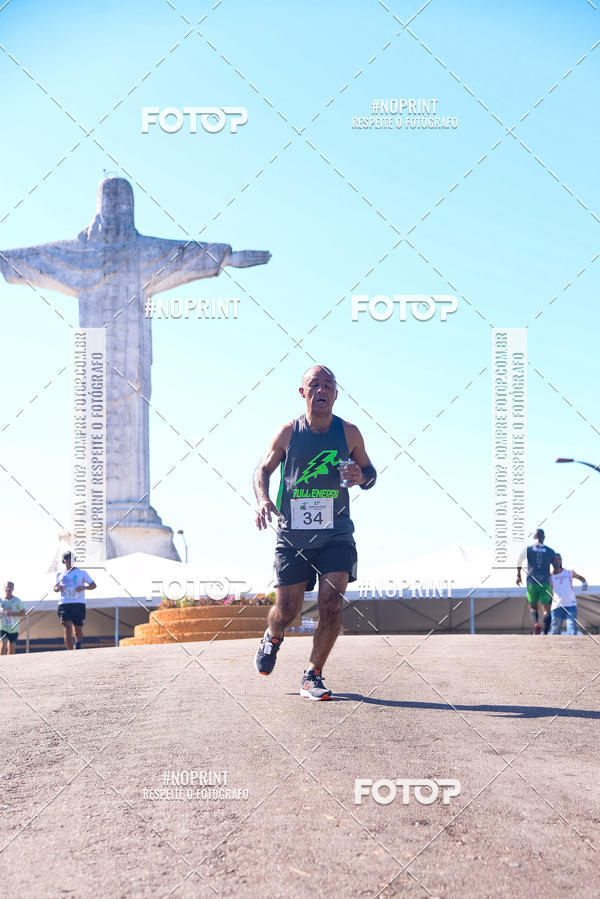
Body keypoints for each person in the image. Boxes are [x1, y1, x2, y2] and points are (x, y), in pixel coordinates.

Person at [253, 365, 376, 700]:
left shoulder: (349, 433)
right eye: (315, 385)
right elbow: (263, 470)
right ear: (302, 392)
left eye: (329, 386)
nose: (322, 390)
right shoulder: (288, 433)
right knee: (288, 610)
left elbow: (370, 472)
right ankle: (273, 636)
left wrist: (360, 475)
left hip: (336, 532)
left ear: (335, 394)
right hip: (293, 536)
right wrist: (263, 500)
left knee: (331, 602)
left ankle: (313, 674)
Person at [516, 529, 556, 634]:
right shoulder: (550, 551)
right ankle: (546, 632)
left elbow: (519, 560)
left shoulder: (528, 549)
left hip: (532, 581)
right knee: (547, 608)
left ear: (534, 537)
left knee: (533, 606)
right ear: (544, 537)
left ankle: (536, 624)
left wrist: (518, 575)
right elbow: (556, 568)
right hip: (545, 581)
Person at [53, 552, 96, 649]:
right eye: (66, 558)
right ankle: (70, 651)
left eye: (71, 558)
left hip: (78, 603)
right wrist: (58, 588)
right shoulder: (60, 574)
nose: (69, 560)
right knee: (67, 626)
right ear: (64, 560)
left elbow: (93, 585)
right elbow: (55, 588)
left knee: (77, 629)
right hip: (64, 603)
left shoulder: (82, 573)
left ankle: (79, 642)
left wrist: (83, 587)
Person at [550, 554, 587, 635]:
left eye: (559, 559)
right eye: (555, 560)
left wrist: (584, 583)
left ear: (561, 560)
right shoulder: (550, 575)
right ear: (551, 562)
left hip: (570, 605)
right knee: (555, 632)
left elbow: (581, 578)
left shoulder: (569, 572)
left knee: (572, 630)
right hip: (556, 606)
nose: (557, 561)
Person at [0, 582, 25, 656]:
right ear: (4, 588)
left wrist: (13, 614)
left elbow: (23, 612)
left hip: (13, 627)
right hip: (2, 627)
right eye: (7, 587)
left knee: (11, 647)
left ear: (13, 589)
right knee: (2, 644)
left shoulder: (17, 601)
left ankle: (10, 662)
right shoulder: (1, 600)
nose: (8, 589)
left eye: (10, 587)